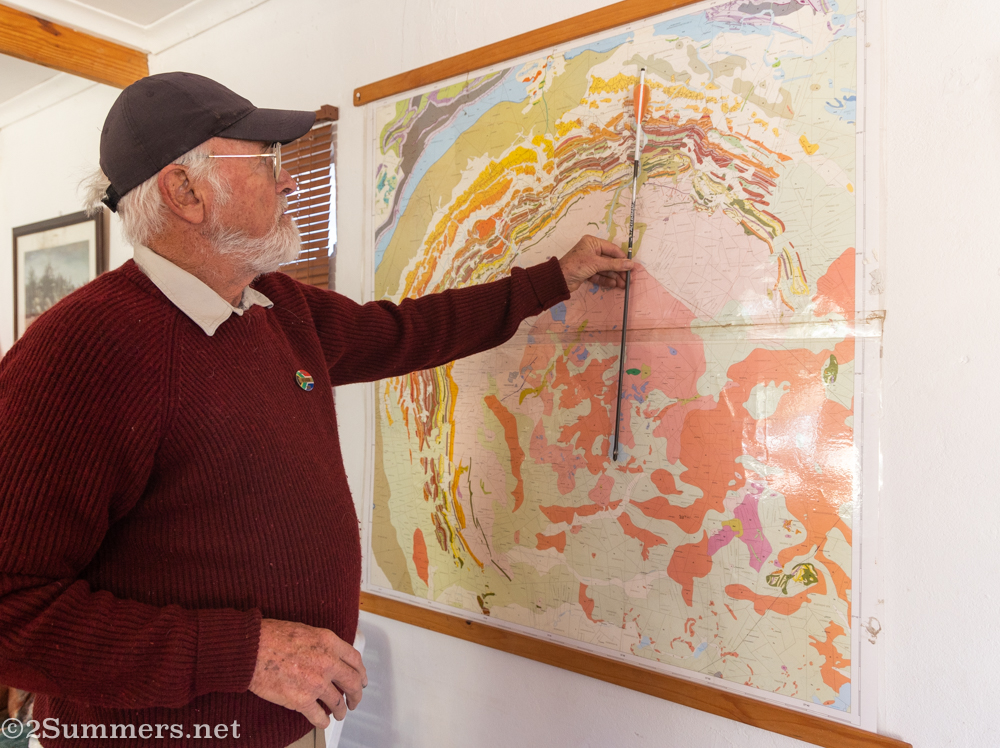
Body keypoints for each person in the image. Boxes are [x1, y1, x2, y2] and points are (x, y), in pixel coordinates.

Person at [0, 72, 632, 748]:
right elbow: (13, 610)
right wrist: (244, 654)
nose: (291, 181)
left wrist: (549, 280)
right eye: (268, 160)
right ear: (184, 192)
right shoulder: (81, 352)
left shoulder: (276, 307)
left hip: (286, 725)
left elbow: (410, 330)